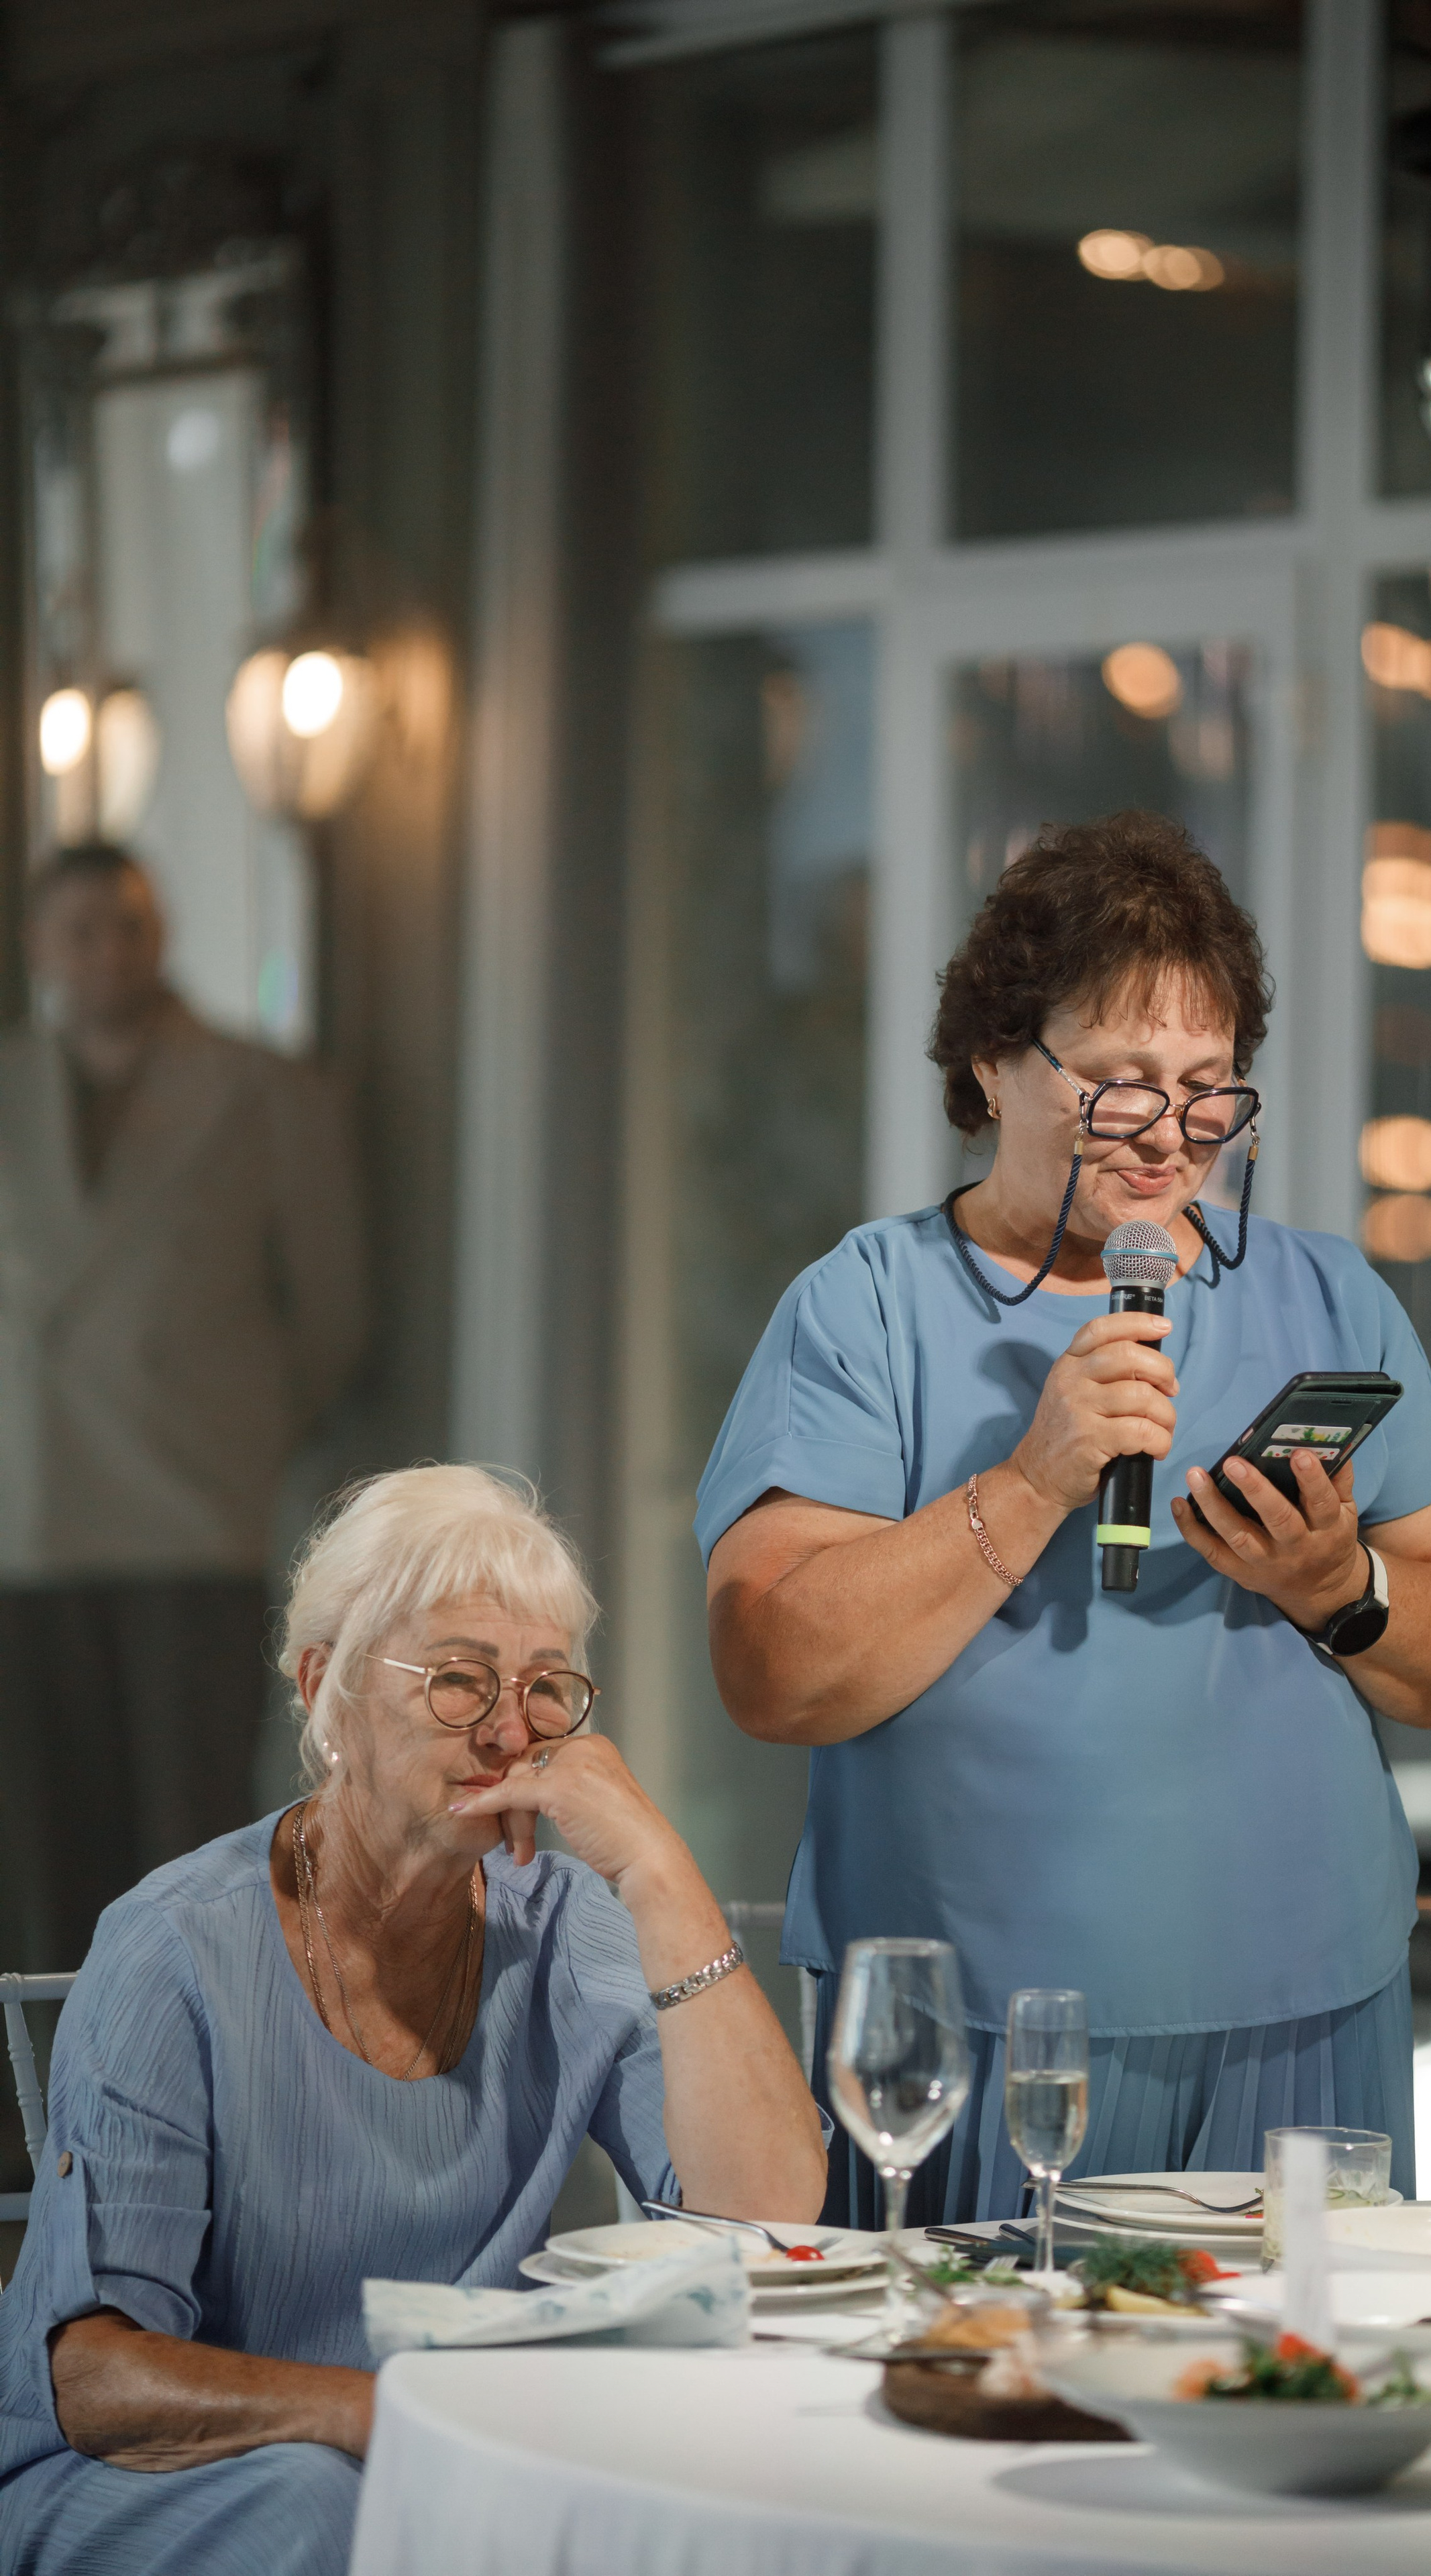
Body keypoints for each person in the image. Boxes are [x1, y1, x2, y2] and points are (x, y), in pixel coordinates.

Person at [700, 812, 1431, 2225]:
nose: (1173, 1134)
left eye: (1208, 1088)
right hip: (979, 2038)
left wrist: (1345, 1583)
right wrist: (1022, 1491)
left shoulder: (1326, 1299)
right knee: (982, 2416)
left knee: (1288, 2410)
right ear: (992, 1064)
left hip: (1306, 2015)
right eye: (1120, 1083)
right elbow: (769, 1669)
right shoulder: (867, 1305)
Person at [0, 1464, 827, 2575]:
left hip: (456, 2467)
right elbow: (96, 2378)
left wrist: (659, 1872)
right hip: (172, 2480)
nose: (506, 1732)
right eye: (457, 1681)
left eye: (545, 1688)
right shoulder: (177, 1945)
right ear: (323, 1689)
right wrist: (394, 2415)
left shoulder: (569, 1923)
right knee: (326, 2507)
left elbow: (769, 2216)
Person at [0, 841, 367, 1990]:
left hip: (192, 1515)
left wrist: (237, 1438)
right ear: (37, 947)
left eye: (129, 925)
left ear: (161, 936)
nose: (108, 951)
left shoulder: (266, 1093)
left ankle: (191, 2104)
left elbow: (334, 1311)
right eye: (79, 930)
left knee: (187, 1844)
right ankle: (43, 2110)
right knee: (38, 1848)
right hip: (29, 1518)